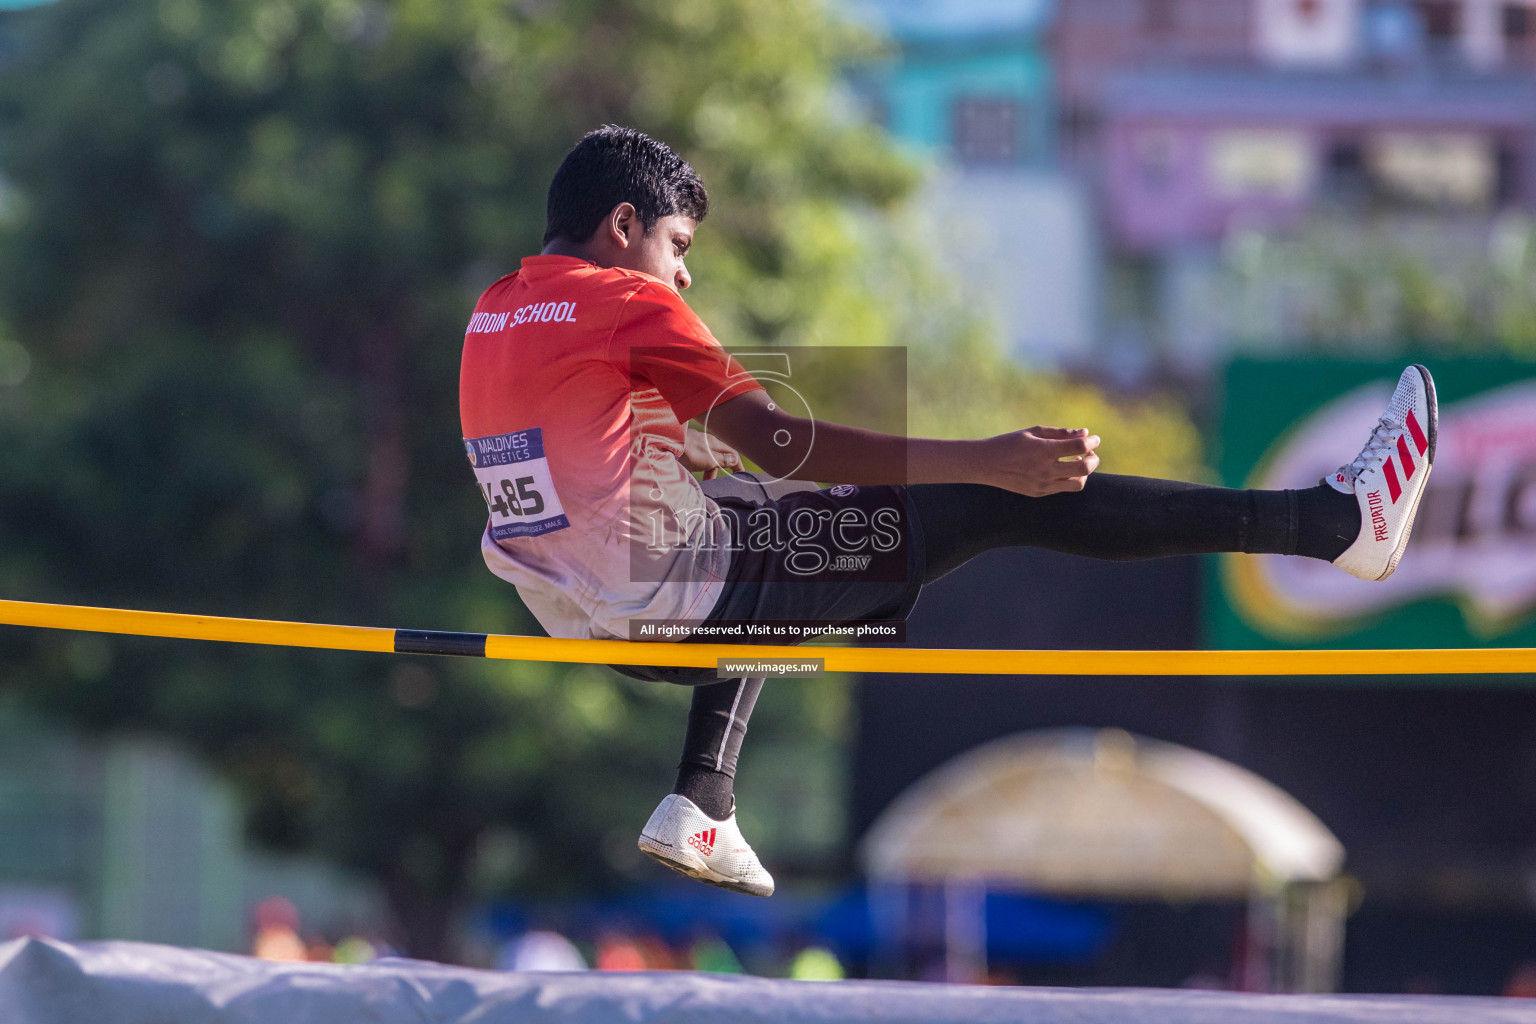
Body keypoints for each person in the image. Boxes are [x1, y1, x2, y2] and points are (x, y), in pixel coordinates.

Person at [459, 125, 1437, 898]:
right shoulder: (628, 303)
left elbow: (614, 464)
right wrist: (988, 457)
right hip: (684, 596)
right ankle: (1331, 525)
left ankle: (702, 799)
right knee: (994, 502)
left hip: (587, 619)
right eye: (679, 246)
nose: (684, 274)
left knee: (766, 518)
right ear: (624, 223)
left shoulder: (495, 313)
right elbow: (783, 439)